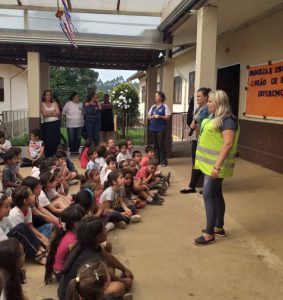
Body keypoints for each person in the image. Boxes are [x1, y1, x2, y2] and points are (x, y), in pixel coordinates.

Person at [194, 90, 240, 246]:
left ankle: (209, 233)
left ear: (219, 103)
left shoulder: (228, 120)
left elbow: (228, 144)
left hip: (216, 167)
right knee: (216, 194)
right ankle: (218, 227)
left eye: (211, 101)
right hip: (210, 165)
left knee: (208, 195)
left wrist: (216, 166)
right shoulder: (215, 118)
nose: (208, 103)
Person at [58, 216, 134, 300]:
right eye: (104, 229)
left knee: (110, 266)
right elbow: (107, 275)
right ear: (98, 237)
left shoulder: (84, 244)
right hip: (75, 295)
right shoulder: (92, 258)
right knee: (119, 287)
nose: (106, 231)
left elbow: (107, 256)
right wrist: (124, 282)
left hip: (83, 284)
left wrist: (124, 269)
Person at [0, 194, 47, 265]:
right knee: (20, 229)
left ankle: (40, 248)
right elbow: (5, 244)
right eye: (6, 207)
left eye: (9, 205)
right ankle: (38, 254)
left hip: (7, 241)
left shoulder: (5, 217)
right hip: (3, 248)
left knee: (22, 226)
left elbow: (15, 229)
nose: (10, 208)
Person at [180, 87, 211, 194]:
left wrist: (195, 126)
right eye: (196, 96)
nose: (197, 98)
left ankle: (203, 187)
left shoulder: (207, 109)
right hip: (196, 138)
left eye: (199, 96)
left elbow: (204, 125)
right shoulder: (200, 108)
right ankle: (192, 186)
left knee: (202, 163)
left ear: (206, 97)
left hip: (201, 139)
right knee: (196, 163)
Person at [45, 204, 85, 284]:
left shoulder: (65, 233)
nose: (84, 221)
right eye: (82, 219)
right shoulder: (73, 241)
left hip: (58, 270)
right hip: (62, 274)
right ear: (75, 224)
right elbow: (80, 260)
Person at [148, 91, 171, 167]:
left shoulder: (165, 106)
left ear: (161, 97)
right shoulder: (153, 107)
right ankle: (157, 160)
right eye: (155, 96)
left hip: (161, 129)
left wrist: (160, 116)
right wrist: (152, 116)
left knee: (161, 144)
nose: (155, 97)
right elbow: (148, 116)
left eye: (157, 96)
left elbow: (168, 117)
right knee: (155, 145)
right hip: (152, 128)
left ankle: (164, 161)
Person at [41, 90, 61, 157]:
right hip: (47, 124)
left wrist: (48, 113)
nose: (49, 96)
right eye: (47, 95)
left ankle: (56, 154)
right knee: (49, 140)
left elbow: (58, 113)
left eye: (50, 95)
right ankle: (48, 155)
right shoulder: (42, 104)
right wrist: (53, 112)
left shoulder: (54, 103)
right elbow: (44, 114)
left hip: (55, 123)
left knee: (56, 139)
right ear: (44, 96)